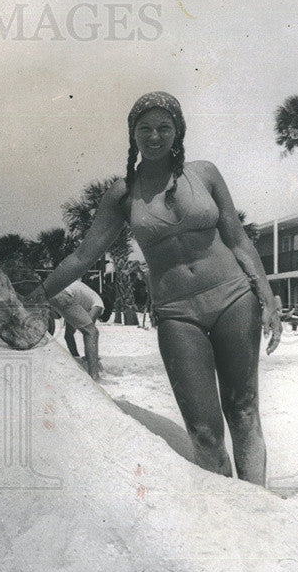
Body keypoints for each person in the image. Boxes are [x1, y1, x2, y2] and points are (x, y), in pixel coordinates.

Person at [44, 91, 282, 486]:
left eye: (164, 128)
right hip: (177, 313)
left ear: (178, 132)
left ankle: (259, 505)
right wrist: (37, 295)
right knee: (204, 432)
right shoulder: (122, 195)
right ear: (132, 135)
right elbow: (83, 256)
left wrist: (268, 297)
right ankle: (231, 513)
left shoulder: (204, 174)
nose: (154, 136)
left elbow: (239, 240)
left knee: (242, 411)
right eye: (145, 129)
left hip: (235, 298)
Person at [49, 279, 104, 379]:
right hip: (64, 295)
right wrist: (92, 359)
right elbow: (89, 328)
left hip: (53, 292)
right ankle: (94, 376)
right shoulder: (99, 304)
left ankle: (80, 362)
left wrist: (78, 359)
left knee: (87, 332)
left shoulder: (80, 302)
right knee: (92, 332)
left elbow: (68, 335)